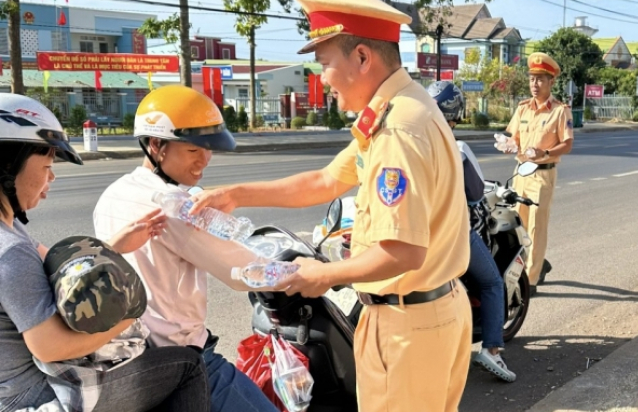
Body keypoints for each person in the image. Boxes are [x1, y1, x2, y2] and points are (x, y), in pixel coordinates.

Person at [189, 0, 474, 410]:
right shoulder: (401, 110)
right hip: (432, 314)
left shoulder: (396, 129)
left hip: (405, 327)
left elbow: (403, 251)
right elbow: (326, 180)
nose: (322, 79)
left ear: (361, 57)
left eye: (324, 63)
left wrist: (323, 275)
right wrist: (236, 194)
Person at [0, 93, 210, 412]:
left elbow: (55, 264)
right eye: (46, 165)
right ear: (8, 166)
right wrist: (130, 315)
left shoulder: (11, 229)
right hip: (35, 398)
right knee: (187, 366)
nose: (51, 177)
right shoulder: (8, 249)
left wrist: (116, 246)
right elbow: (49, 346)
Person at [92, 85, 279, 412]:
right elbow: (242, 272)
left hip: (131, 366)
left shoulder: (112, 193)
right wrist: (305, 272)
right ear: (156, 146)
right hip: (185, 363)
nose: (204, 160)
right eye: (194, 151)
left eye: (209, 149)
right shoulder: (174, 205)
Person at [428, 80, 517, 383]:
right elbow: (477, 194)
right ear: (456, 115)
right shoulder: (459, 149)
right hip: (452, 237)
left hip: (415, 238)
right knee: (493, 284)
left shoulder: (409, 145)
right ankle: (492, 350)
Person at [498, 52, 574, 294]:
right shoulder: (523, 108)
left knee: (535, 228)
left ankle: (529, 280)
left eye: (540, 79)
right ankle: (528, 266)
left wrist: (545, 152)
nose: (535, 84)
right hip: (520, 172)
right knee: (514, 224)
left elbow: (568, 143)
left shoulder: (560, 111)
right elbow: (514, 137)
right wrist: (508, 143)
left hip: (542, 174)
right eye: (532, 79)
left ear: (551, 82)